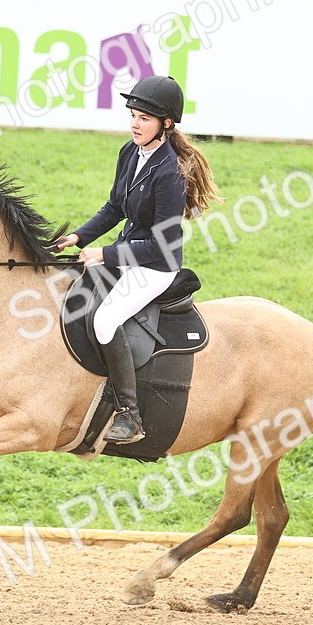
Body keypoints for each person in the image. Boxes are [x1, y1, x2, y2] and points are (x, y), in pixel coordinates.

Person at [55, 76, 221, 444]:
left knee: (104, 319)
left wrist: (105, 253)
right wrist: (80, 236)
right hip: (126, 253)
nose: (134, 123)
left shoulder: (170, 172)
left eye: (144, 118)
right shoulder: (130, 152)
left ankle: (129, 415)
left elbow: (162, 245)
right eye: (133, 114)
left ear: (166, 123)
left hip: (154, 266)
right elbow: (115, 206)